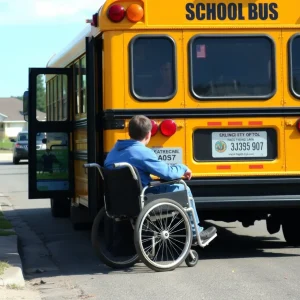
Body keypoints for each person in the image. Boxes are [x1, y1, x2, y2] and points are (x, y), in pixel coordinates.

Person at [104, 115, 217, 242]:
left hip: (118, 200)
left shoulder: (112, 153)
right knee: (182, 188)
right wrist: (183, 168)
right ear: (148, 135)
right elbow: (167, 173)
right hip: (142, 198)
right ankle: (196, 233)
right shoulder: (142, 152)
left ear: (129, 132)